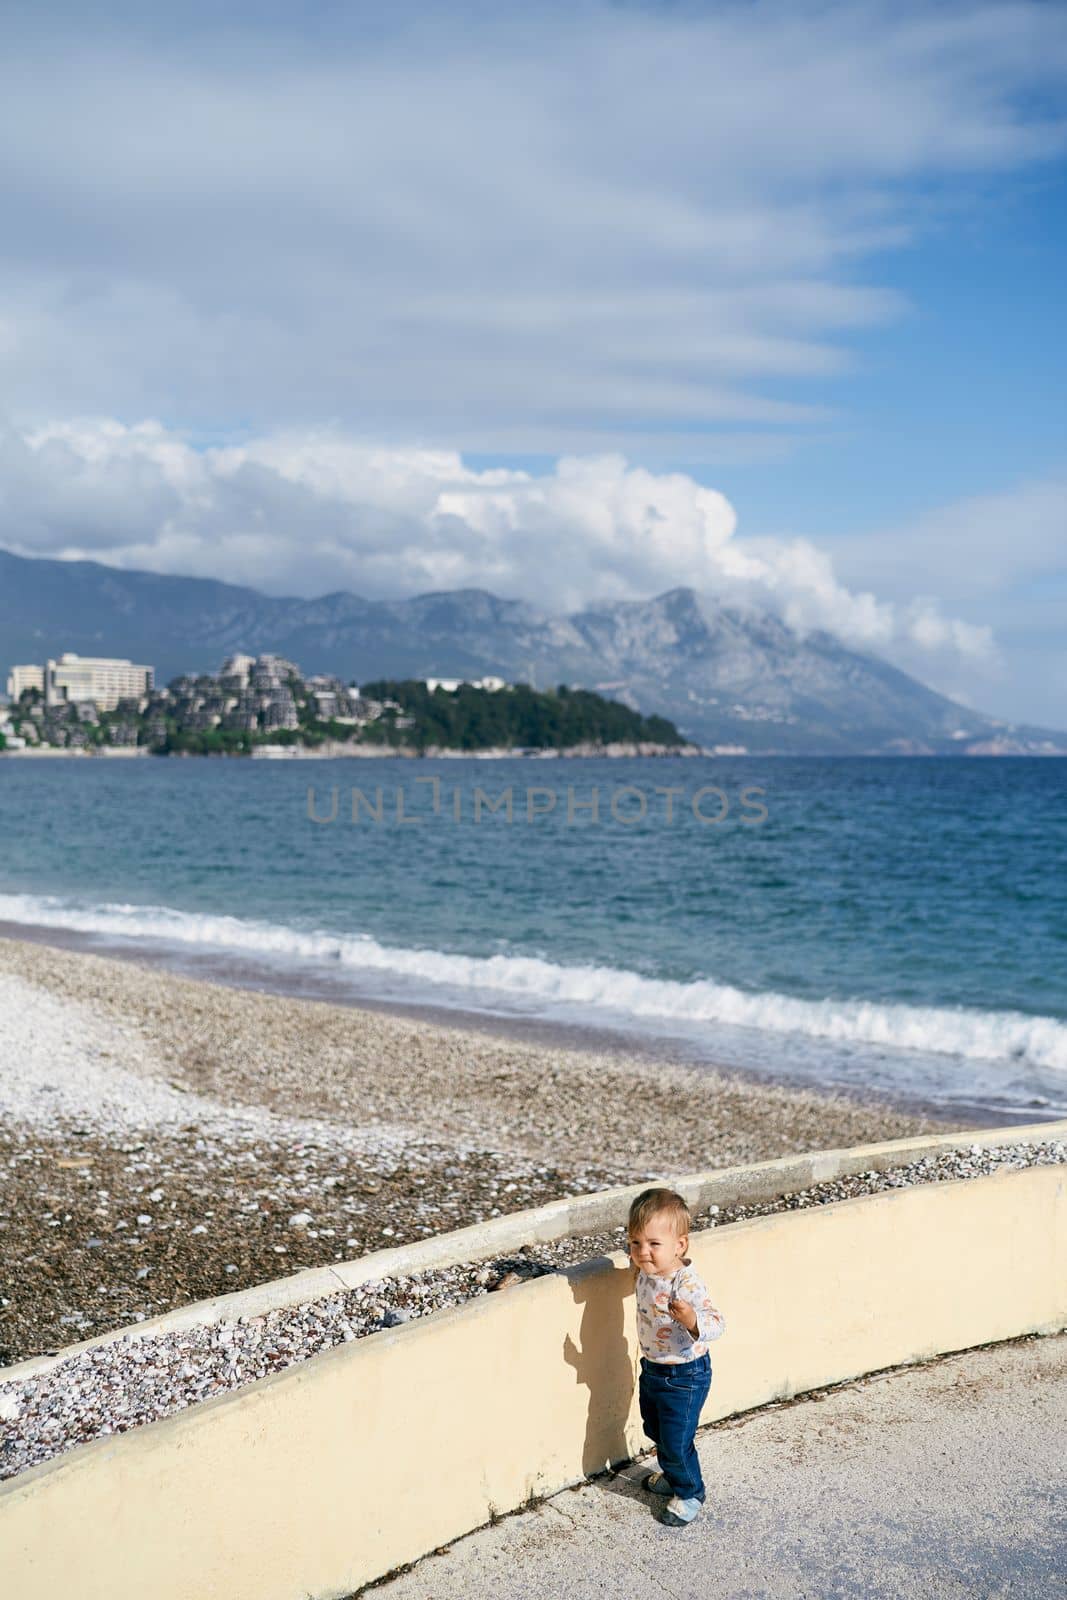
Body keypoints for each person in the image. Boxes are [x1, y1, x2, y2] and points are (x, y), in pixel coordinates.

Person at [627, 1186, 725, 1527]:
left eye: (654, 1244)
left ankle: (690, 1492)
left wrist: (691, 1320)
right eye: (636, 1242)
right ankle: (671, 1472)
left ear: (679, 1245)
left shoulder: (686, 1283)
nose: (643, 1252)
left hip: (685, 1375)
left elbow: (717, 1323)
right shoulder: (646, 1271)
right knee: (654, 1428)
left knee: (676, 1440)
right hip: (653, 1367)